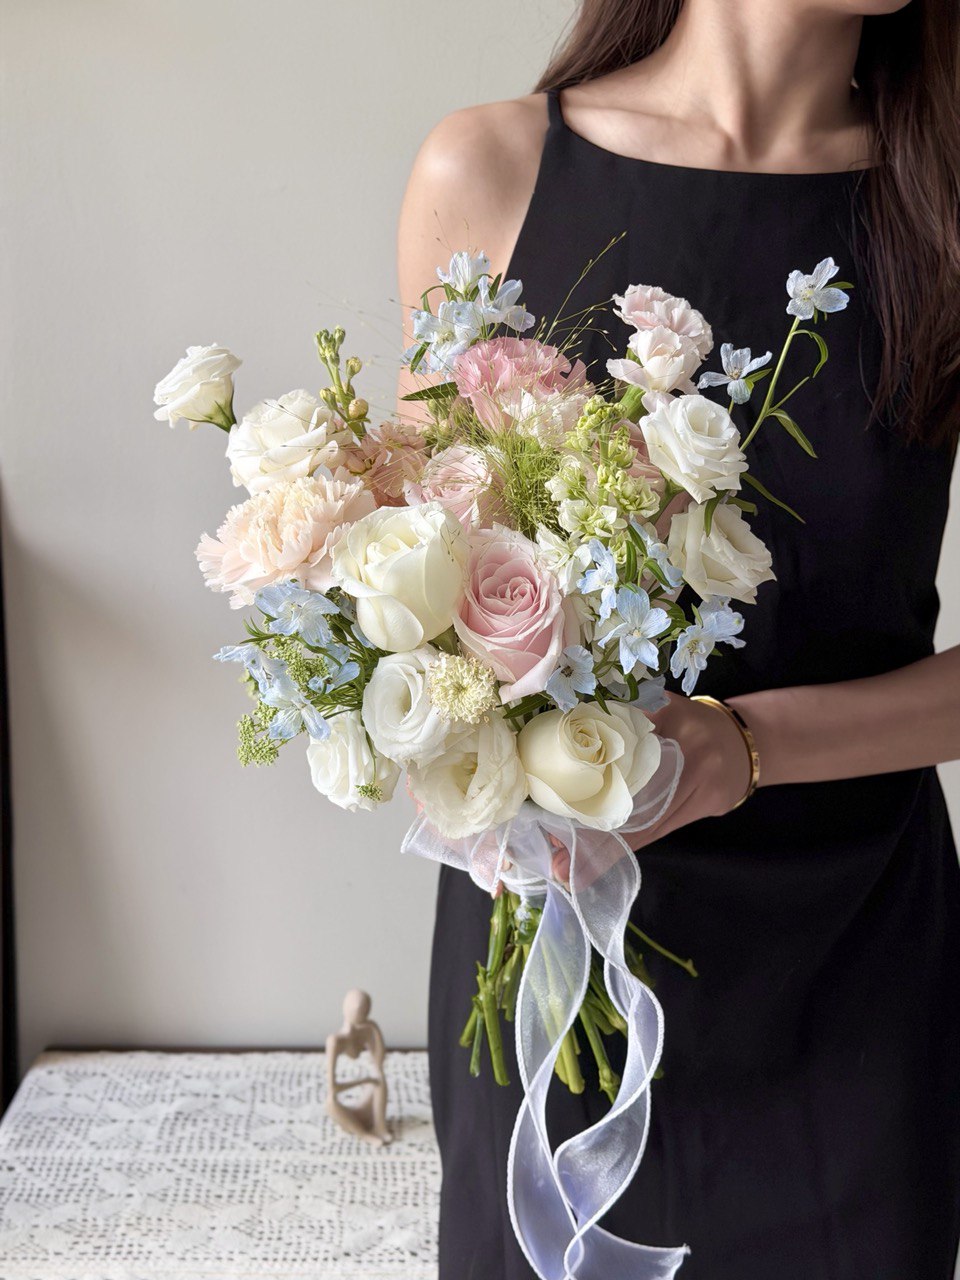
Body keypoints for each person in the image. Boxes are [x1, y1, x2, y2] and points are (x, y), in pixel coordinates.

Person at [396, 2, 960, 1276]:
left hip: (855, 966)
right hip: (555, 959)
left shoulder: (946, 195)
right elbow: (427, 607)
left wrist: (741, 745)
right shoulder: (488, 171)